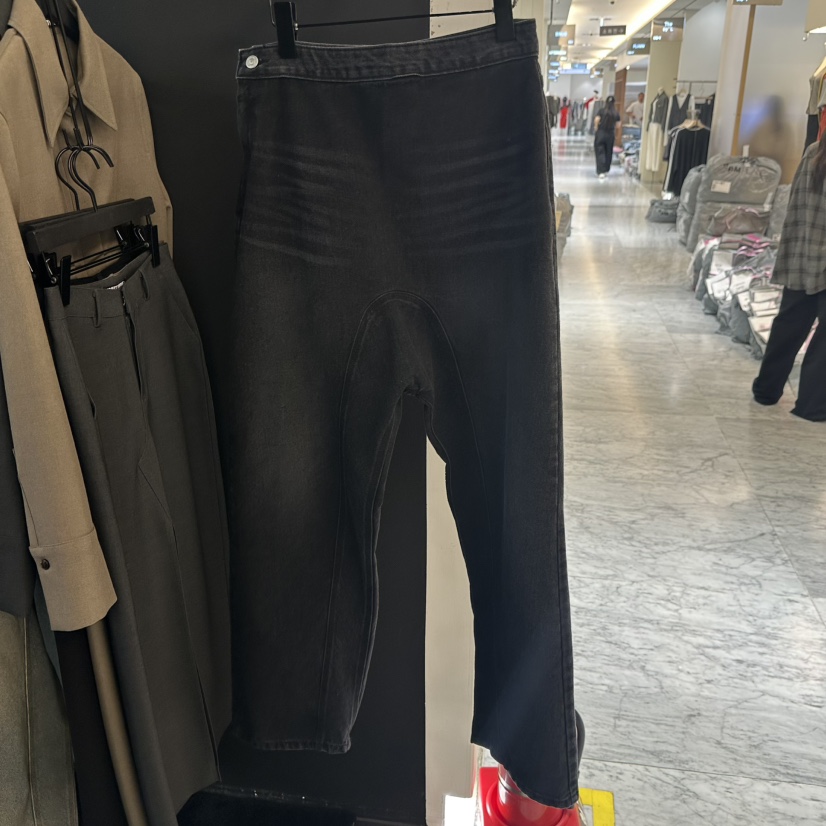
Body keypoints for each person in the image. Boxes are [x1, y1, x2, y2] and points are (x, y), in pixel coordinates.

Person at [753, 138, 826, 420]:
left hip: (803, 251)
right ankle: (812, 406)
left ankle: (766, 390)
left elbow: (797, 204)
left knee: (789, 324)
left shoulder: (815, 151)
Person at [593, 95, 620, 178]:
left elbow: (596, 120)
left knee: (600, 151)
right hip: (610, 134)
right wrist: (616, 134)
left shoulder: (601, 111)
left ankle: (600, 171)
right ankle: (606, 170)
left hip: (601, 133)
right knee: (608, 152)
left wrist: (596, 128)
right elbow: (618, 125)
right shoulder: (616, 113)